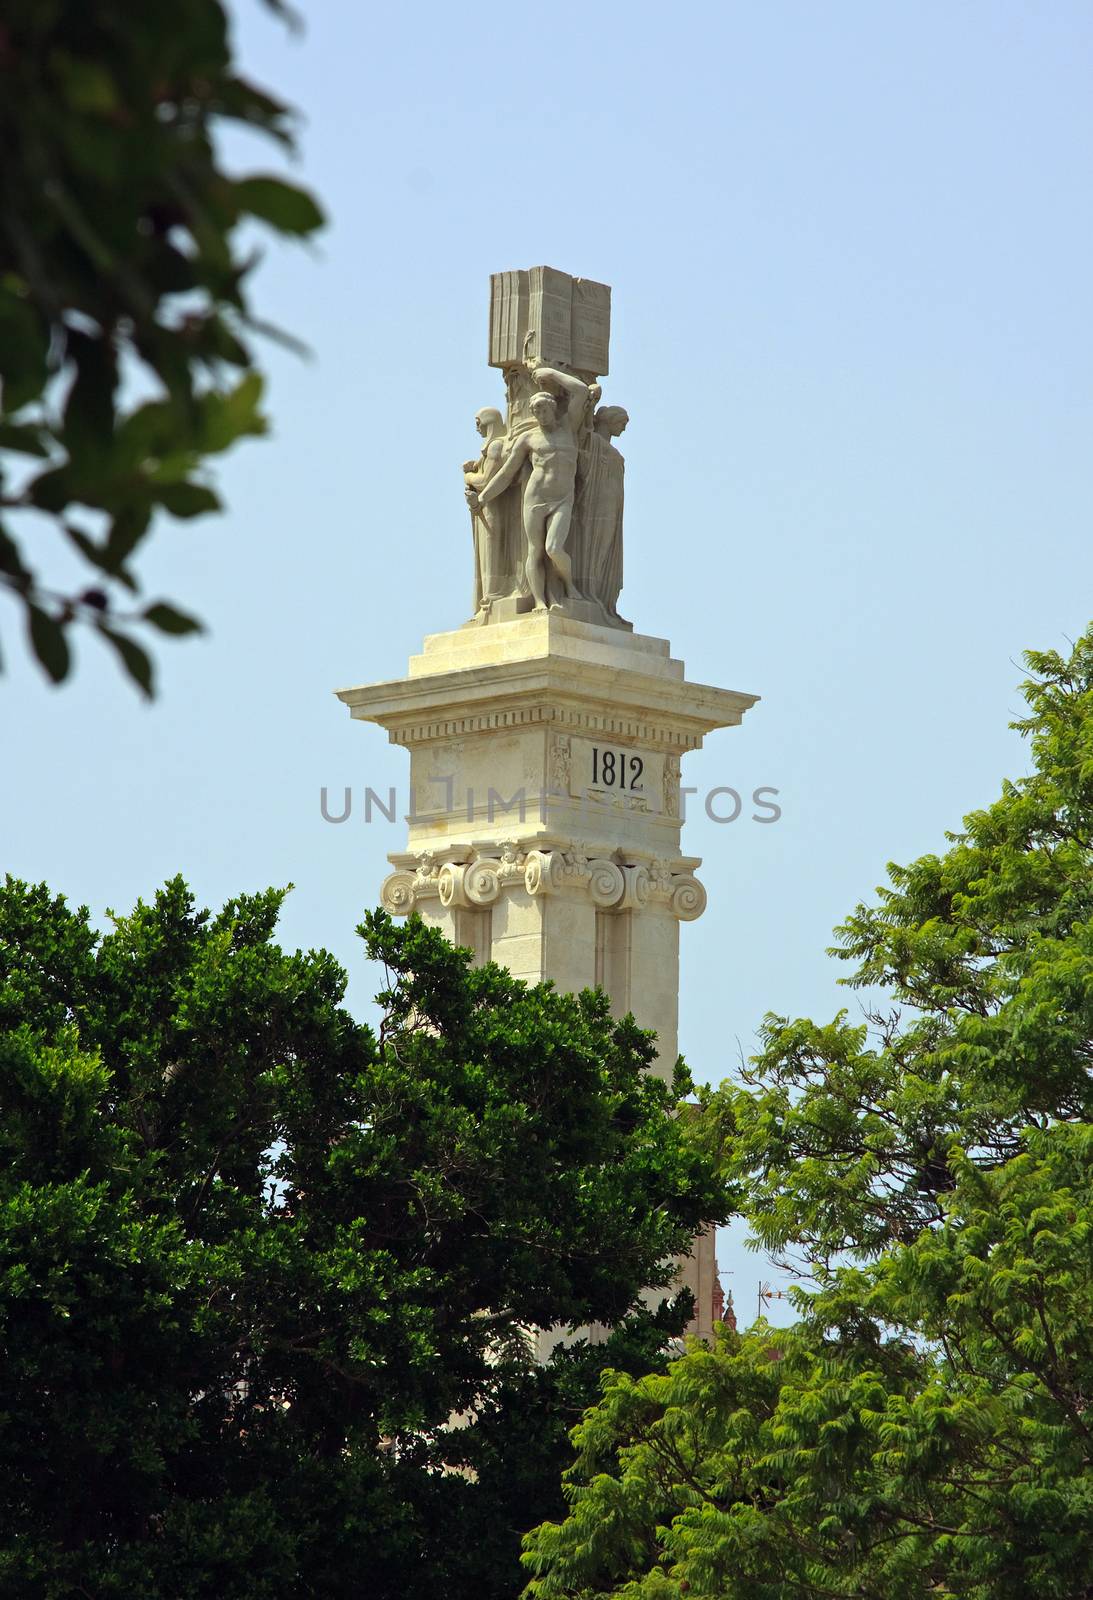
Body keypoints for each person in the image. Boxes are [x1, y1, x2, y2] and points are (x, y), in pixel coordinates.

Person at [467, 362, 592, 611]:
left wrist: (551, 373)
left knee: (554, 548)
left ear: (553, 408)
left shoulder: (569, 427)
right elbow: (505, 473)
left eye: (543, 409)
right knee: (534, 551)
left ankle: (569, 585)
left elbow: (581, 391)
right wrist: (482, 499)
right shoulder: (529, 438)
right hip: (535, 498)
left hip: (562, 498)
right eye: (535, 411)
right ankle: (539, 602)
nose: (540, 415)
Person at [463, 407, 509, 620]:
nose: (477, 426)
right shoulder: (489, 449)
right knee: (484, 556)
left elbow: (485, 481)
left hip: (492, 508)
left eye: (479, 421)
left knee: (490, 556)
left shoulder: (495, 447)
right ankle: (486, 601)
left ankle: (490, 600)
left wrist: (469, 477)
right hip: (484, 509)